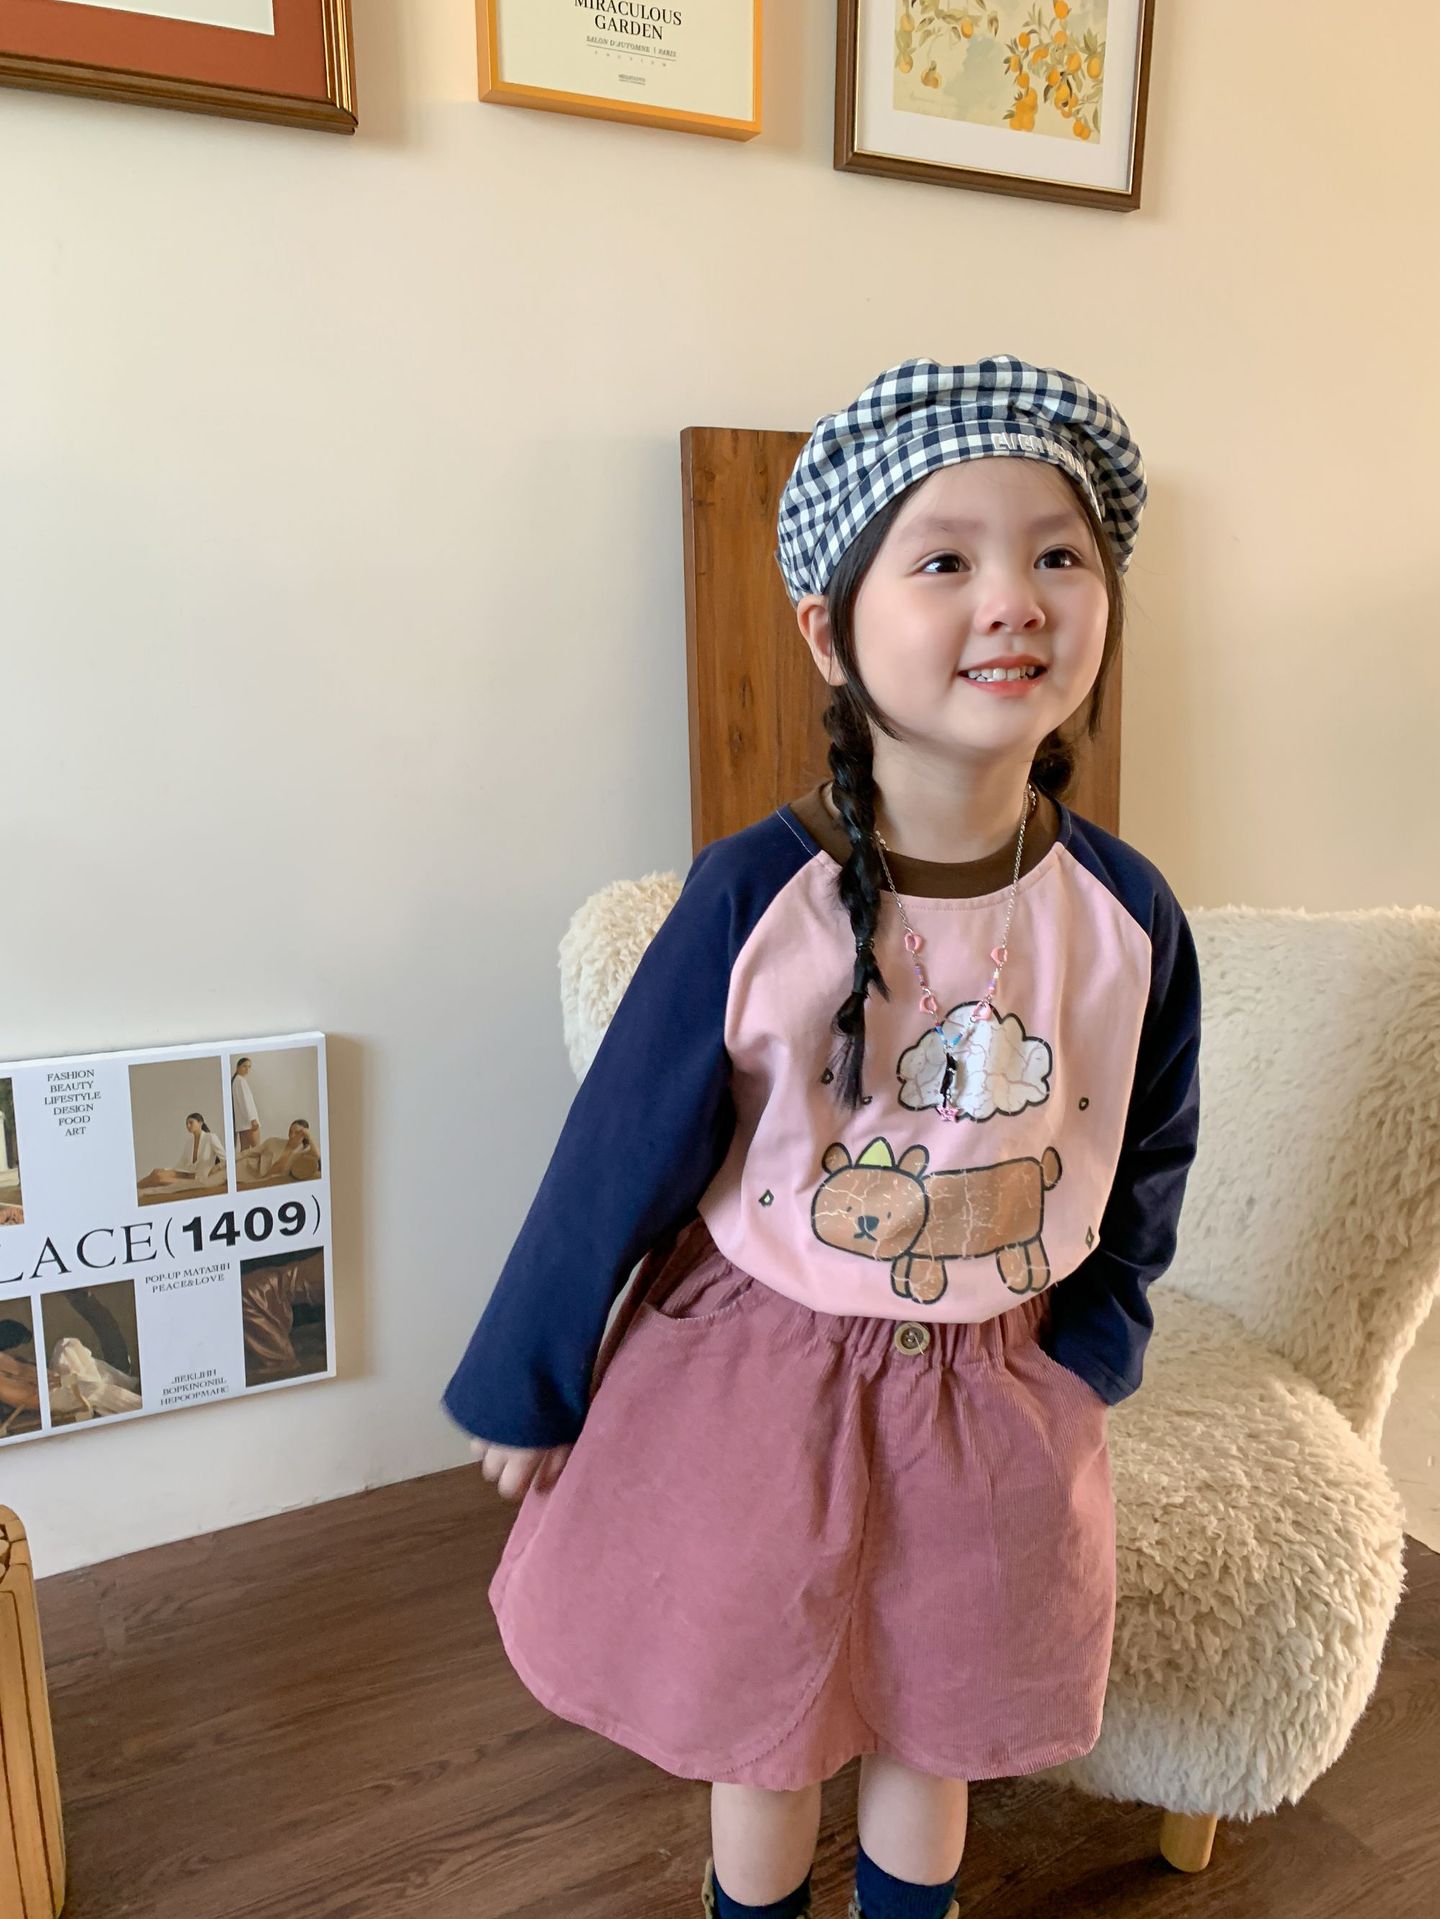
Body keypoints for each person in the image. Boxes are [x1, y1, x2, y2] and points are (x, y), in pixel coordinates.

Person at [441, 355, 1203, 1919]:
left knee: (946, 1708)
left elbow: (1153, 1139)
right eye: (947, 559)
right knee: (768, 1719)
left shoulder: (1128, 913)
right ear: (829, 631)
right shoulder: (751, 891)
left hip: (996, 1385)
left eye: (1058, 553)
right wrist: (530, 1374)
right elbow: (617, 1147)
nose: (1014, 599)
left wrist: (1101, 1337)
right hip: (760, 1377)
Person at [138, 1111, 227, 1188]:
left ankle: (134, 1190)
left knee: (159, 1178)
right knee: (156, 1172)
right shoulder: (189, 1142)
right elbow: (181, 1163)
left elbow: (226, 1159)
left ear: (200, 1123)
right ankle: (134, 1188)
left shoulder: (211, 1138)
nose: (188, 1125)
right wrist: (166, 1170)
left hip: (199, 1177)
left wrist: (217, 1167)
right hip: (187, 1172)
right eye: (186, 1124)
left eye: (191, 1122)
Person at [235, 1119, 321, 1182]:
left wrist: (309, 1136)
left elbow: (318, 1156)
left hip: (271, 1182)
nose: (292, 1135)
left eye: (297, 1132)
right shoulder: (274, 1142)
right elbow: (249, 1152)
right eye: (290, 1131)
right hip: (251, 1171)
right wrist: (229, 1162)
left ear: (304, 1135)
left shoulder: (303, 1152)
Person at [232, 1057, 262, 1153]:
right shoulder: (240, 1081)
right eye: (244, 1066)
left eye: (249, 1067)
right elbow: (244, 1101)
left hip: (242, 1123)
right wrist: (252, 1119)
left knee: (244, 1152)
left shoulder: (236, 1081)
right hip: (249, 1123)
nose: (247, 1069)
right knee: (257, 1150)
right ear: (238, 1067)